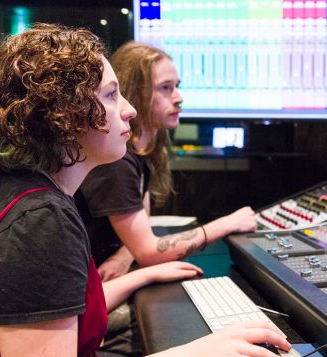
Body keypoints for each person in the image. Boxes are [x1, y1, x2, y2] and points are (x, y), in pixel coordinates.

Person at [0, 24, 289, 357]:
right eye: (112, 95)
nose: (130, 110)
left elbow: (64, 311)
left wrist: (143, 274)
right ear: (64, 114)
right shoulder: (38, 223)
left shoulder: (31, 196)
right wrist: (200, 350)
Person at [75, 41, 256, 281]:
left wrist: (125, 254)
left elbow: (142, 223)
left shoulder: (139, 152)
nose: (179, 98)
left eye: (176, 87)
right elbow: (149, 252)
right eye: (165, 88)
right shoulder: (116, 162)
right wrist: (228, 224)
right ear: (135, 95)